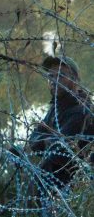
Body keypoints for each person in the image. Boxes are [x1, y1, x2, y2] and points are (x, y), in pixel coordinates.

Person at [29, 56, 92, 189]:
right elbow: (33, 140)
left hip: (71, 190)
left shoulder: (81, 111)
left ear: (75, 80)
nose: (53, 80)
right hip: (50, 188)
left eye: (61, 75)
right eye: (50, 76)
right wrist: (47, 142)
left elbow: (59, 152)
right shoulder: (56, 107)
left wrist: (44, 142)